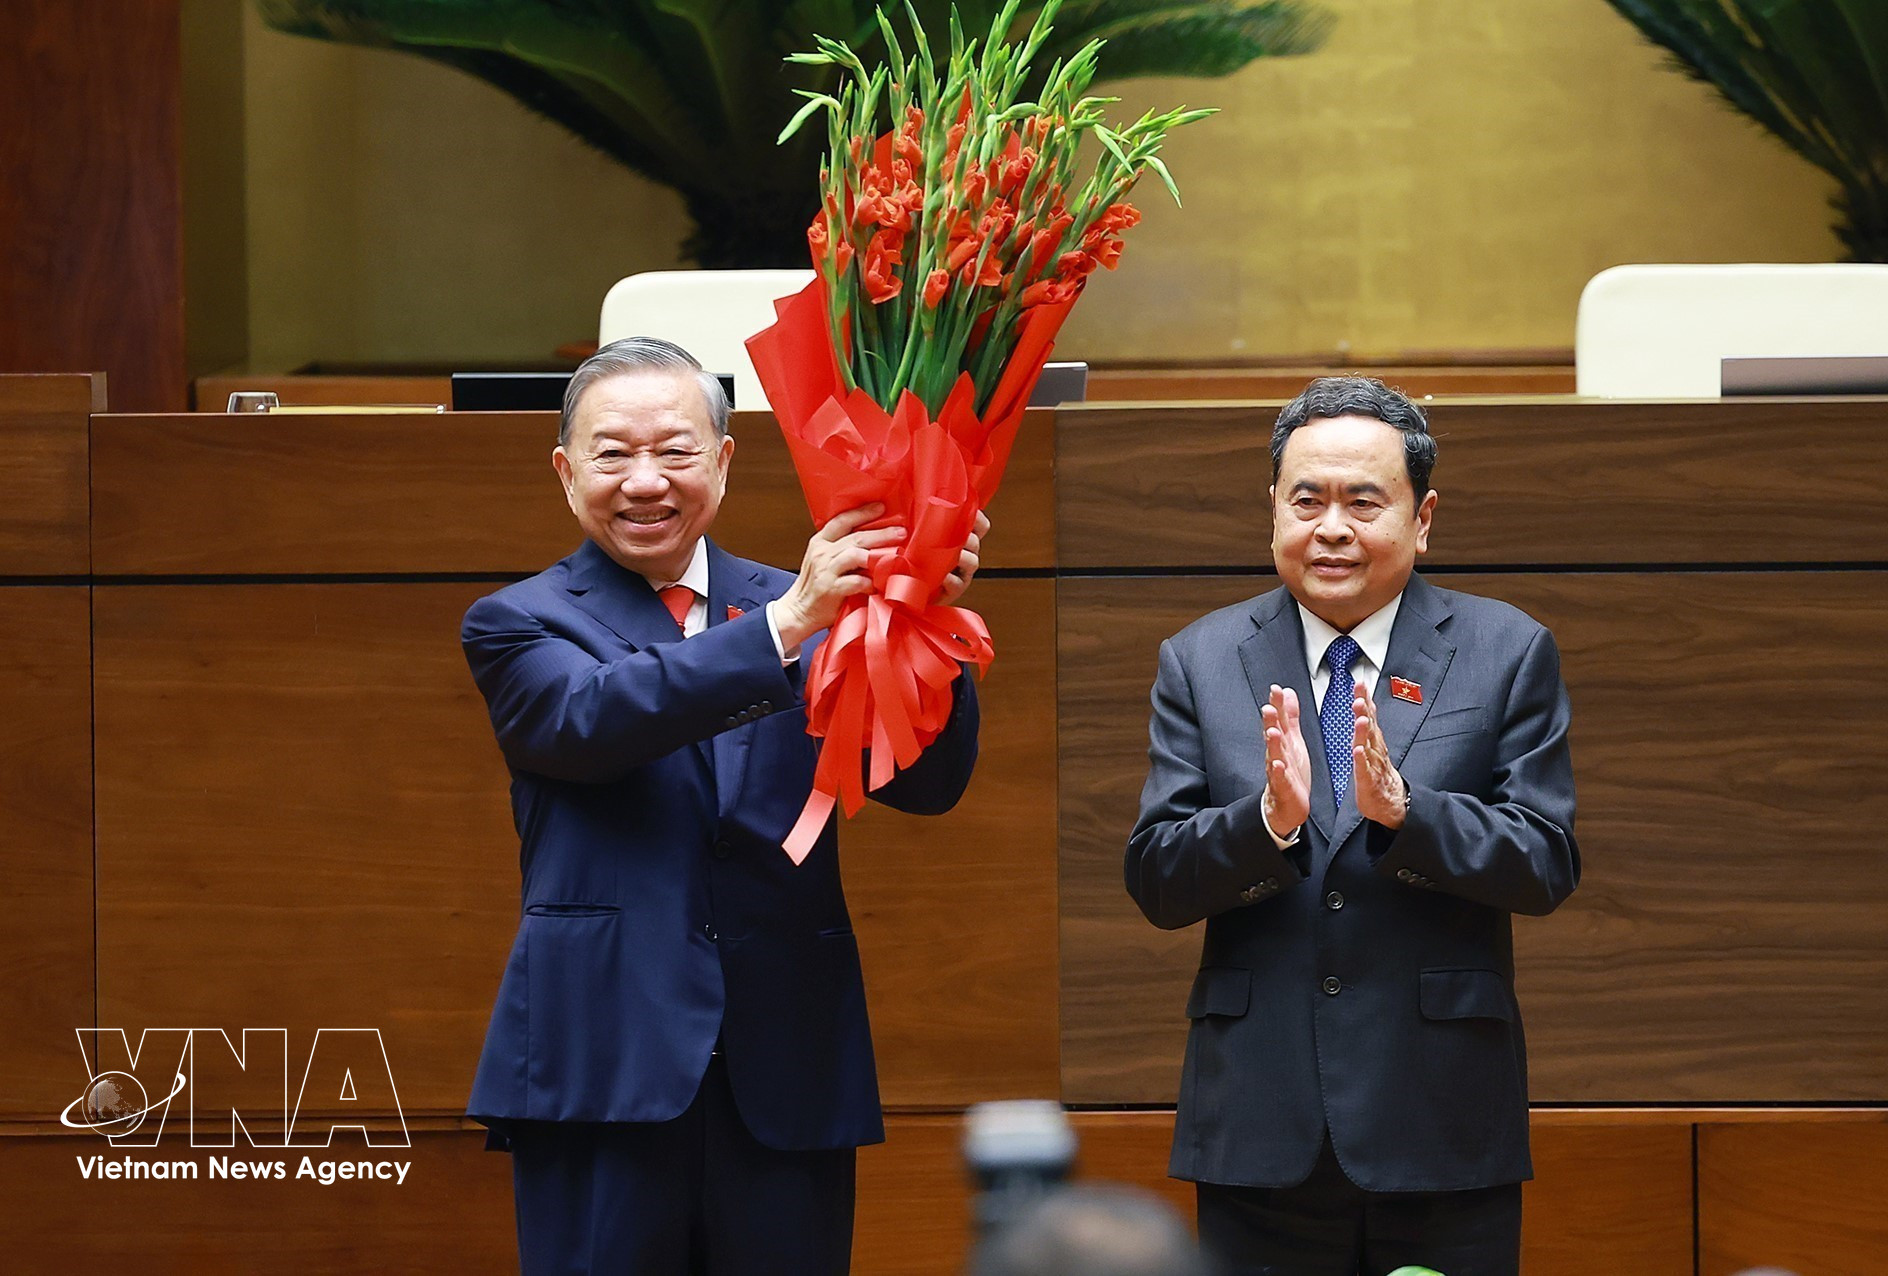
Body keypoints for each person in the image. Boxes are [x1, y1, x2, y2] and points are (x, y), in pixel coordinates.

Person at [460, 337, 984, 1275]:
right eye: (613, 454)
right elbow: (589, 723)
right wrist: (791, 629)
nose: (645, 480)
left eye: (676, 450)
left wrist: (921, 621)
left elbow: (926, 783)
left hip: (784, 1069)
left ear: (725, 459)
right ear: (566, 471)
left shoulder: (810, 603)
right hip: (602, 1067)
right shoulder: (521, 621)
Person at [1124, 376, 1579, 1275]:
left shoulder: (1504, 649)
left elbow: (1545, 858)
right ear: (1274, 513)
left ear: (1422, 517)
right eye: (1309, 500)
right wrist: (1264, 823)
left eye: (1363, 501)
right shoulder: (1201, 659)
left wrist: (1408, 815)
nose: (1332, 527)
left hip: (1441, 1121)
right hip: (1259, 1123)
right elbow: (1158, 878)